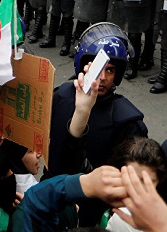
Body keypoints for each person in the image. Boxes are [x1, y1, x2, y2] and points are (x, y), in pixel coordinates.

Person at [49, 23, 148, 177]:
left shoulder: (128, 123)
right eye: (97, 67)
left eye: (110, 70)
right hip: (48, 190)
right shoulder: (60, 97)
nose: (102, 78)